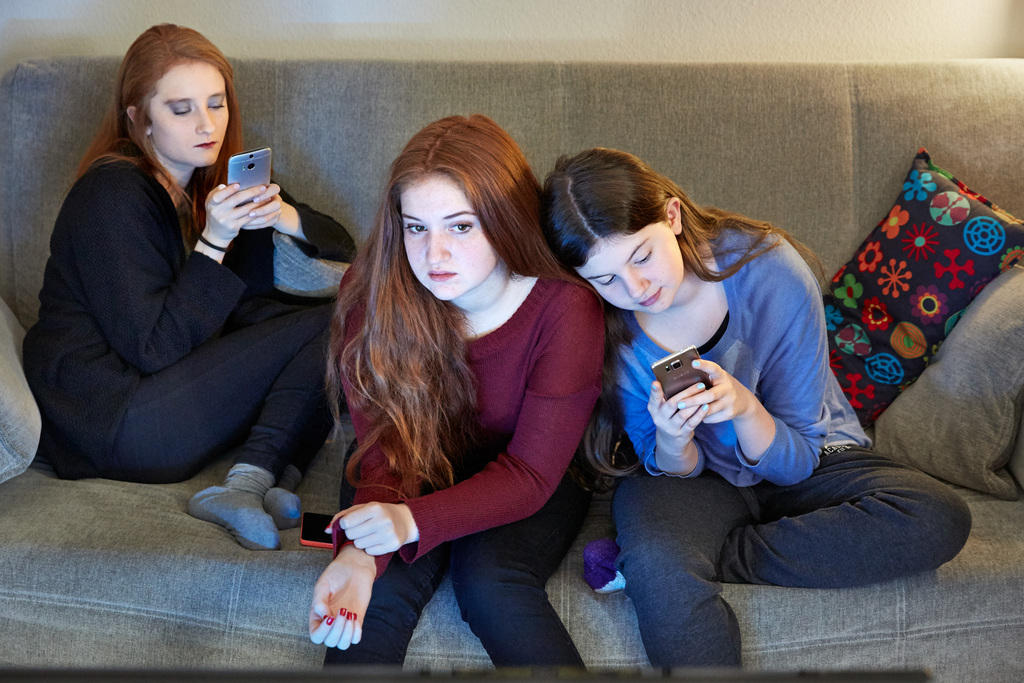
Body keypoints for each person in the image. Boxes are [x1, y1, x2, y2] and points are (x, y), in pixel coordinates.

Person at [540, 147, 972, 667]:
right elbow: (664, 465)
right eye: (605, 279)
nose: (636, 289)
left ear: (672, 216)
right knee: (664, 568)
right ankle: (665, 562)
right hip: (690, 483)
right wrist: (673, 439)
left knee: (936, 516)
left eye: (642, 256)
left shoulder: (770, 270)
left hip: (806, 455)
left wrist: (746, 410)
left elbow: (800, 458)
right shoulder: (605, 324)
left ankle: (691, 558)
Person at [22, 24, 356, 551]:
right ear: (139, 118)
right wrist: (215, 241)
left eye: (217, 104)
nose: (207, 125)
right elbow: (154, 348)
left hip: (163, 402)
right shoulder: (109, 196)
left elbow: (343, 250)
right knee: (329, 322)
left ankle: (267, 482)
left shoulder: (212, 183)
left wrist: (285, 215)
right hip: (112, 422)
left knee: (341, 318)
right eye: (181, 110)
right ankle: (245, 485)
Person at [307, 114, 604, 667]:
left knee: (492, 585)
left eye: (460, 226)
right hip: (407, 455)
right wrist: (357, 558)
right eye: (416, 227)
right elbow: (386, 448)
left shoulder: (565, 309)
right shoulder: (373, 293)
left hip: (530, 468)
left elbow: (533, 473)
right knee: (372, 597)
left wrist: (414, 523)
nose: (434, 254)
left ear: (505, 219)